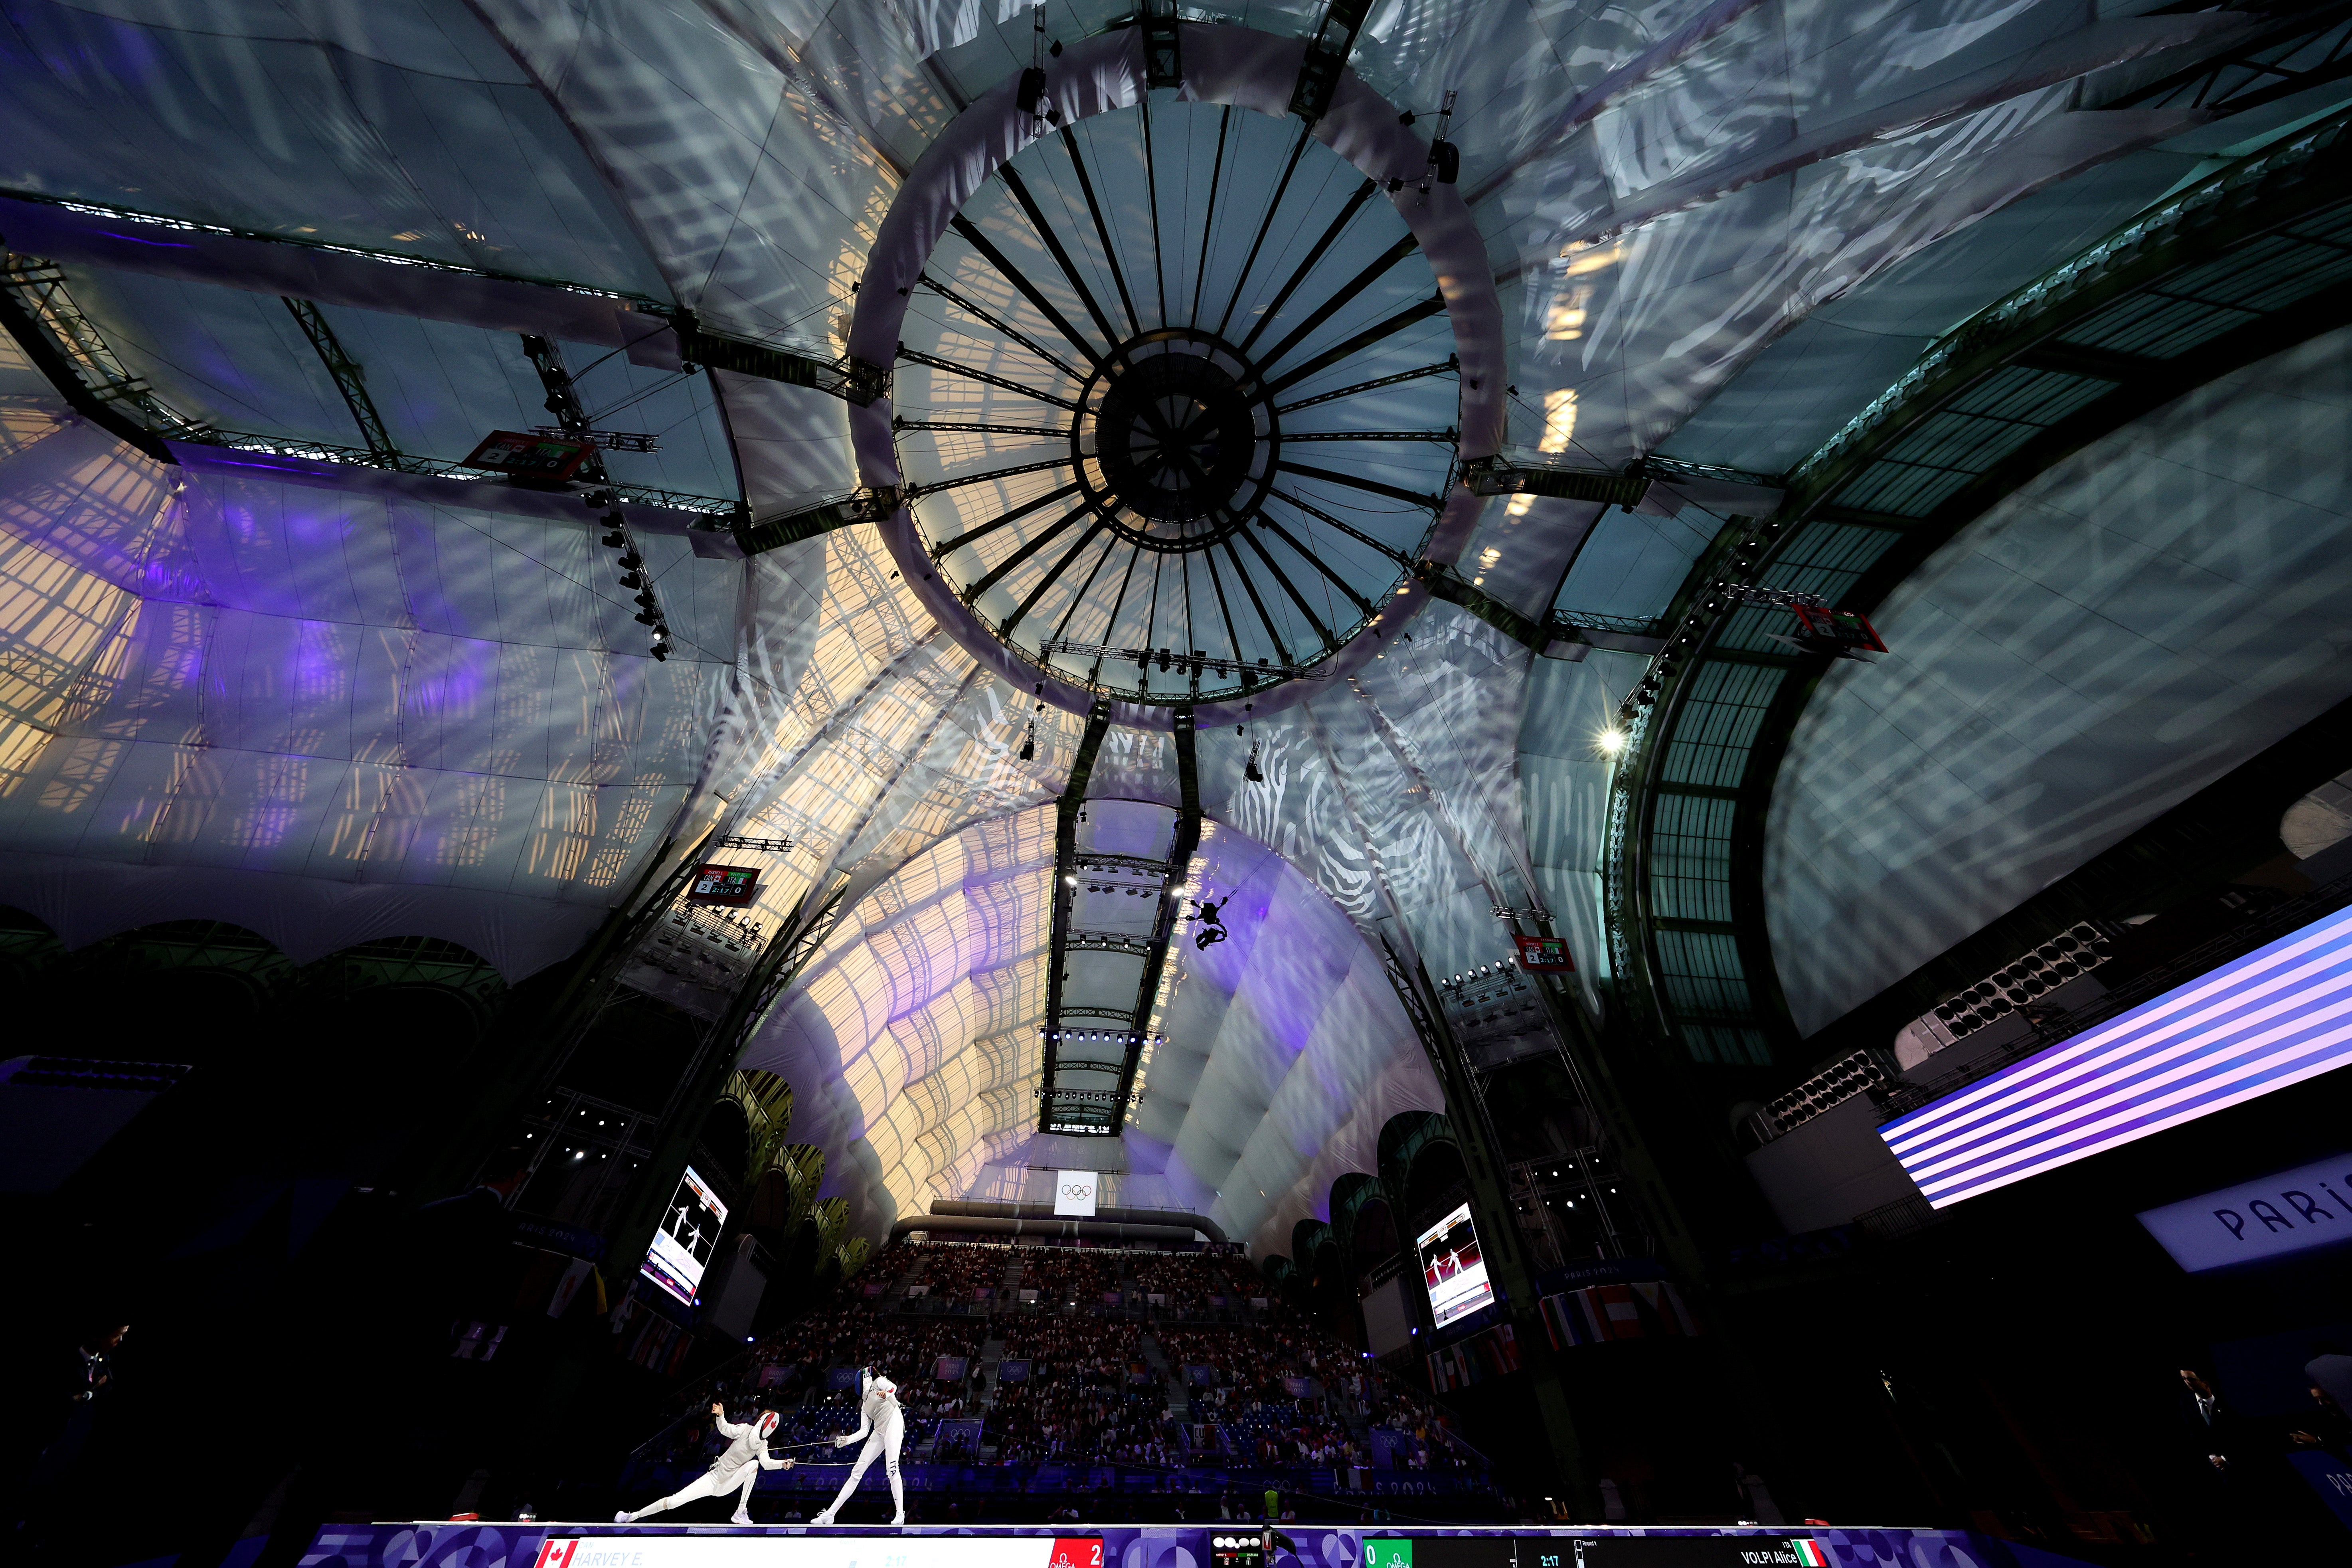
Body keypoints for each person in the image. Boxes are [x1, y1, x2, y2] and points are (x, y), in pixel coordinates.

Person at [616, 1402, 793, 1525]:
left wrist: (783, 1463)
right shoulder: (744, 1429)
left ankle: (740, 1512)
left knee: (753, 1465)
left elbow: (766, 1463)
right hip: (713, 1478)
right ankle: (633, 1517)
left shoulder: (763, 1445)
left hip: (729, 1483)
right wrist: (721, 1415)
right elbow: (725, 1429)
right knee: (674, 1501)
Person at [813, 1367, 905, 1526]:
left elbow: (893, 1388)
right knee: (857, 1471)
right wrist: (846, 1440)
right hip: (880, 1431)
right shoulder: (864, 1406)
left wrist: (887, 1393)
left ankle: (900, 1514)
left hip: (894, 1422)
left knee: (892, 1469)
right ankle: (830, 1514)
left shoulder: (878, 1382)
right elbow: (864, 1432)